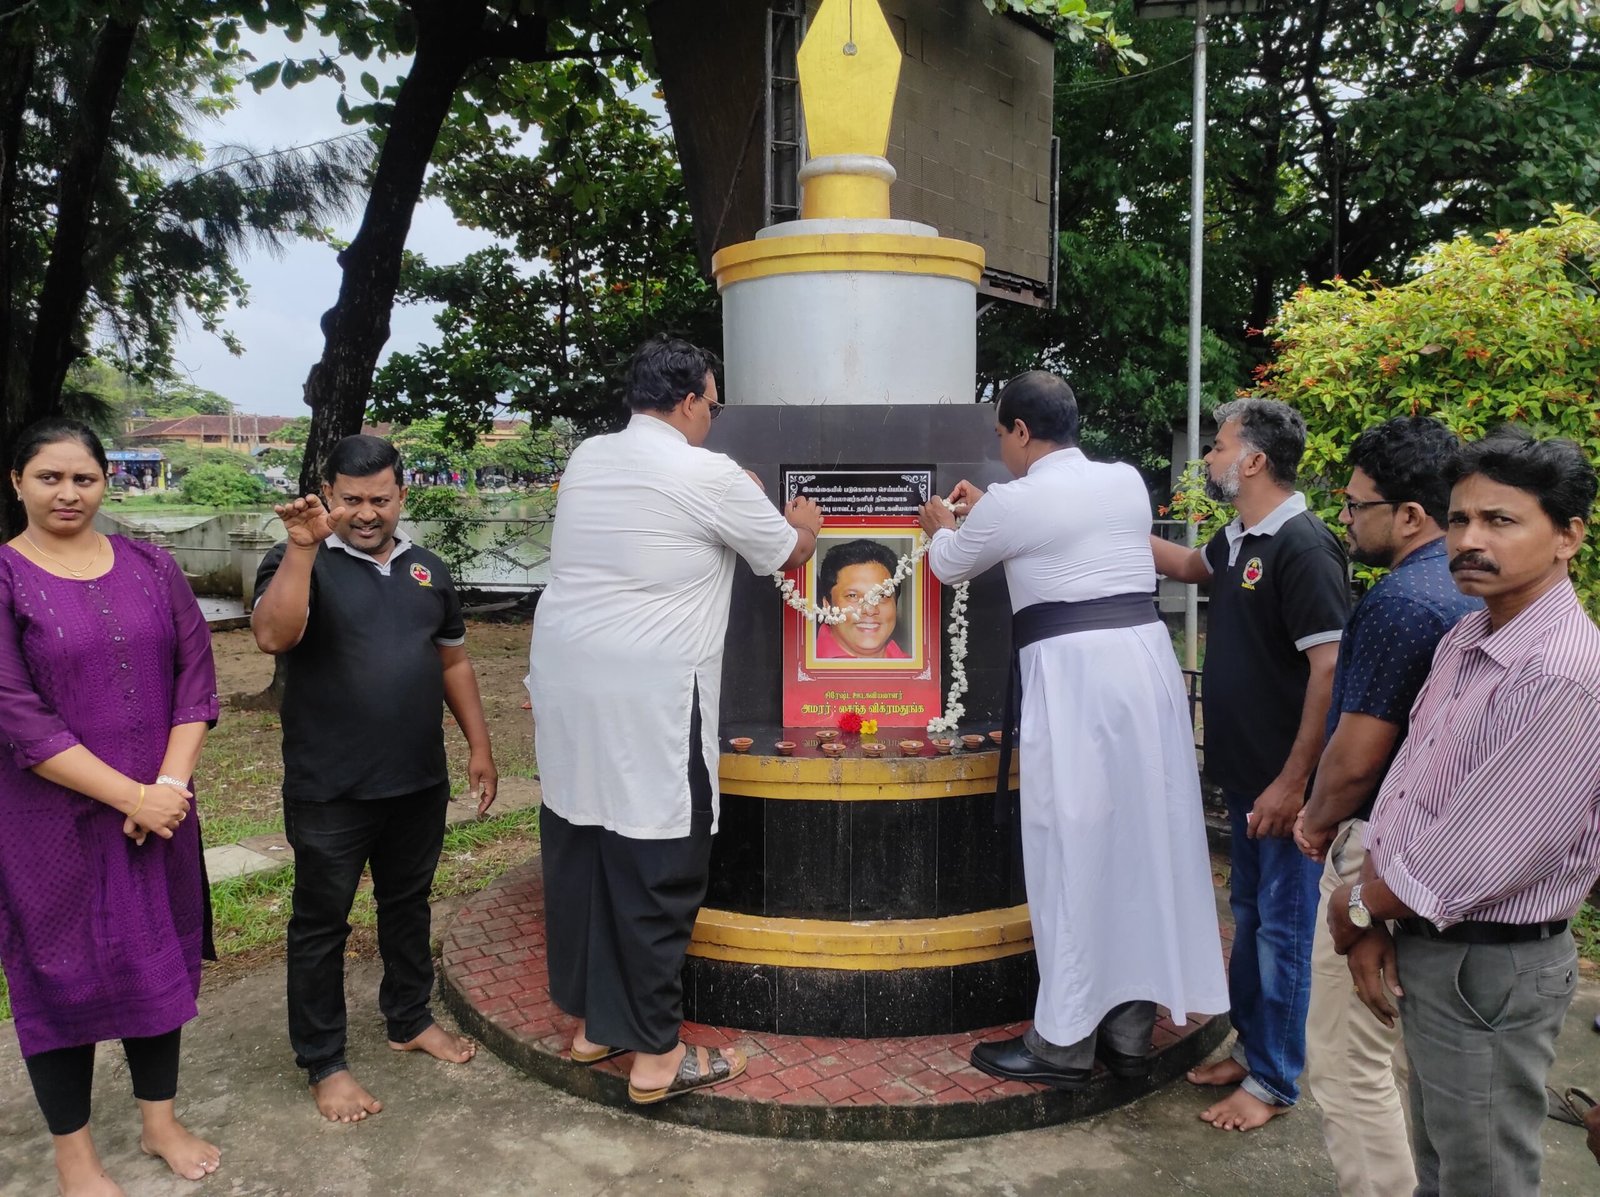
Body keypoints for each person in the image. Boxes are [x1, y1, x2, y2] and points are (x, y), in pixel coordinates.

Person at [528, 335, 822, 1104]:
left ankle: (597, 1024)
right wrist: (804, 521)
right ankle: (657, 1057)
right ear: (690, 399)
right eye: (712, 406)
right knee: (659, 866)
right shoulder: (708, 472)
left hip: (568, 691)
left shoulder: (592, 456)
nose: (713, 420)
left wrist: (733, 488)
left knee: (583, 846)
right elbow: (786, 554)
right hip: (651, 699)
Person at [918, 371, 1227, 1089]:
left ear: (1021, 431)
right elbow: (1055, 521)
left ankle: (1062, 1042)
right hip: (1144, 671)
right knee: (1141, 842)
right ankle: (1126, 1027)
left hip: (1076, 683)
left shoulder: (1017, 502)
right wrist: (992, 508)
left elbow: (951, 566)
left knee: (1071, 849)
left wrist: (942, 524)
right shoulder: (1122, 482)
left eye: (1002, 436)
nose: (1002, 451)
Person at [1327, 428, 1600, 1197]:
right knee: (1445, 1159)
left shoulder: (1563, 676)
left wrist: (1355, 908)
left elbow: (1476, 852)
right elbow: (1413, 793)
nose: (1471, 540)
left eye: (1501, 521)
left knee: (1485, 1173)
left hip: (1492, 964)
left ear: (1567, 536)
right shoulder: (1470, 636)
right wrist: (1379, 921)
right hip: (1435, 943)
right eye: (1459, 519)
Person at [0, 419, 221, 1192]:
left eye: (83, 478)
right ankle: (75, 1155)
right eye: (49, 477)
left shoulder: (154, 566)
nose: (68, 493)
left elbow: (196, 678)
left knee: (154, 957)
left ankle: (159, 1120)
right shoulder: (3, 577)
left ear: (106, 482)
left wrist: (167, 787)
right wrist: (133, 794)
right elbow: (14, 709)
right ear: (17, 483)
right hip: (47, 821)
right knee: (57, 974)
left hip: (157, 811)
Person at [252, 434, 498, 1123]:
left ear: (401, 495)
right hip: (330, 786)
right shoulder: (296, 557)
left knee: (408, 903)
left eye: (379, 499)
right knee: (320, 924)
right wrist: (302, 547)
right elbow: (273, 635)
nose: (366, 513)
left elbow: (453, 662)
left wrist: (479, 745)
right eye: (352, 499)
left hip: (417, 780)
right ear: (329, 494)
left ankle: (409, 1017)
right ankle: (324, 1061)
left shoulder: (429, 569)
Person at [1289, 417, 1481, 1196]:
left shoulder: (1403, 599)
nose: (1344, 520)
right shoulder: (1467, 589)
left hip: (1380, 851)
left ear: (1409, 515)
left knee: (1344, 1057)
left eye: (1355, 505)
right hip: (1440, 850)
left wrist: (1315, 816)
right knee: (1407, 1052)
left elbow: (1361, 750)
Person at [1151, 397, 1351, 1131]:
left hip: (1284, 787)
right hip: (1244, 779)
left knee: (1283, 929)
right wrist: (1089, 516)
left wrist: (1294, 784)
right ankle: (1253, 1045)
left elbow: (1328, 672)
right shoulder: (1239, 537)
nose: (1209, 457)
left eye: (1219, 445)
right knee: (1248, 918)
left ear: (1255, 460)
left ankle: (1274, 1080)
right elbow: (1182, 561)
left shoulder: (1303, 546)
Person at [814, 538, 908, 659]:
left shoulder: (917, 668)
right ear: (827, 605)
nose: (870, 610)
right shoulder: (801, 666)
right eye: (853, 596)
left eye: (882, 596)